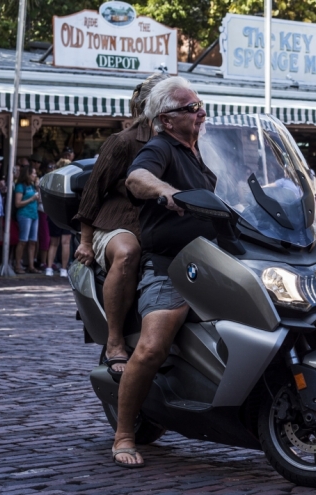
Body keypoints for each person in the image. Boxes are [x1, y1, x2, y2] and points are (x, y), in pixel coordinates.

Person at [115, 76, 216, 468]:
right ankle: (124, 433)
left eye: (200, 104)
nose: (200, 111)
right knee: (153, 346)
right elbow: (136, 178)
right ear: (167, 119)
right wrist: (165, 192)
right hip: (172, 265)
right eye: (191, 107)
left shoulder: (201, 152)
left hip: (213, 260)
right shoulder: (160, 149)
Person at [73, 72, 169, 375]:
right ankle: (115, 341)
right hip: (118, 222)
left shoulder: (183, 143)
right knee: (128, 253)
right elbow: (92, 192)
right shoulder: (123, 141)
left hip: (161, 224)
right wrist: (85, 241)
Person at [45, 159, 73, 277]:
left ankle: (49, 268)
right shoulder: (71, 178)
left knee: (53, 243)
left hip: (54, 212)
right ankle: (63, 269)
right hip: (67, 212)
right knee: (65, 243)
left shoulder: (52, 179)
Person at [13, 164, 41, 274]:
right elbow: (18, 203)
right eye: (33, 173)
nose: (35, 175)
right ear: (27, 174)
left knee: (33, 242)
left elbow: (39, 200)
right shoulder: (20, 186)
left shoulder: (33, 186)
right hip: (24, 215)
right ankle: (18, 265)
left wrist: (38, 188)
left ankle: (31, 265)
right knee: (23, 241)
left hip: (34, 215)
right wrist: (31, 198)